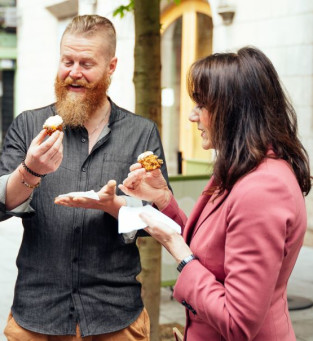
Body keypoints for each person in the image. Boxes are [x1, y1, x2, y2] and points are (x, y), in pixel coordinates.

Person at [119, 46, 312, 341]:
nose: (193, 117)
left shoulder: (262, 189)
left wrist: (179, 253)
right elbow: (214, 250)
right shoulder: (244, 168)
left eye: (201, 105)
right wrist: (163, 199)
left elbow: (238, 323)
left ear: (234, 110)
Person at [0, 15, 169, 340]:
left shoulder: (141, 133)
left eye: (86, 63)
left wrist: (120, 207)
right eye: (68, 61)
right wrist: (30, 171)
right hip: (37, 316)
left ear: (111, 66)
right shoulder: (28, 125)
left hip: (114, 316)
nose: (74, 72)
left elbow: (158, 219)